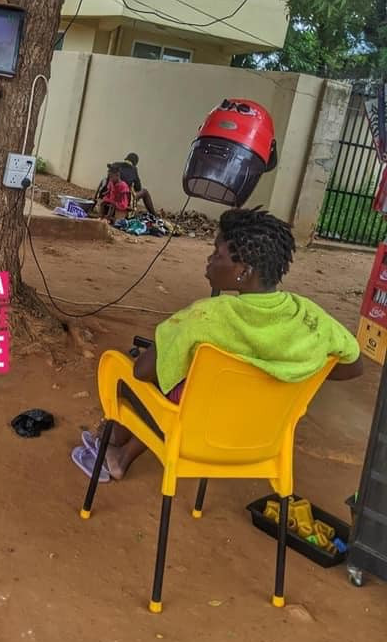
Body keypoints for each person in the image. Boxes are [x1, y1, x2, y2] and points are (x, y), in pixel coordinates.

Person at [72, 207, 363, 483]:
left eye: (217, 254)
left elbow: (144, 373)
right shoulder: (310, 316)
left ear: (244, 271)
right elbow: (354, 365)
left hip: (201, 430)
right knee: (195, 385)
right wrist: (292, 372)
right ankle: (117, 449)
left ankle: (115, 448)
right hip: (258, 430)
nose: (209, 260)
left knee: (131, 372)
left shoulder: (206, 316)